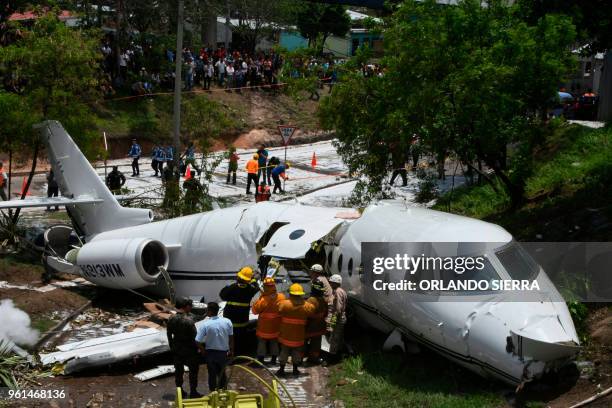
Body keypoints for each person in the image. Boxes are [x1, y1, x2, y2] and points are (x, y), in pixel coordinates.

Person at [219, 267, 259, 356]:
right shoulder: (250, 289)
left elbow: (222, 295)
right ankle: (240, 354)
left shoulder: (232, 287)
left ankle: (230, 354)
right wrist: (253, 280)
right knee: (241, 338)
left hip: (230, 320)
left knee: (229, 338)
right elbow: (257, 287)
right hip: (242, 321)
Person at [276, 283, 315, 377]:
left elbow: (278, 307)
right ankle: (295, 370)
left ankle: (281, 369)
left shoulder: (284, 304)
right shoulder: (306, 306)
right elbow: (313, 309)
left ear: (290, 294)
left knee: (284, 351)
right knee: (296, 352)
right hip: (299, 335)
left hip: (286, 334)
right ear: (301, 294)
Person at [167, 297, 202, 398]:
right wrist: (199, 348)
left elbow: (169, 334)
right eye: (189, 306)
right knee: (193, 371)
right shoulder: (189, 320)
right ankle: (193, 391)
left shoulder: (171, 318)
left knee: (178, 371)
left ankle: (180, 391)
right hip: (190, 349)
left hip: (177, 348)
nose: (190, 308)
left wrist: (171, 346)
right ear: (186, 307)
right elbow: (195, 337)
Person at [196, 302, 234, 393]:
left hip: (211, 353)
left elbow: (197, 341)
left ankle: (213, 393)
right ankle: (223, 392)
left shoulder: (205, 325)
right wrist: (231, 350)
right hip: (223, 353)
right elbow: (231, 337)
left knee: (212, 375)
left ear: (208, 311)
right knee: (222, 373)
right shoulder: (227, 321)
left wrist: (203, 350)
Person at [252, 277, 285, 365]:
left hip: (264, 327)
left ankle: (261, 359)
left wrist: (261, 297)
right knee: (274, 341)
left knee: (262, 342)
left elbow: (254, 311)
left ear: (265, 287)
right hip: (276, 326)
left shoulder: (263, 300)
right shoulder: (281, 297)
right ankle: (274, 359)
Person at [305, 280, 328, 365]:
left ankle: (299, 358)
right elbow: (326, 313)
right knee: (316, 344)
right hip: (320, 326)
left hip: (310, 326)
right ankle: (313, 358)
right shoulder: (323, 300)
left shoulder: (310, 300)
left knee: (303, 342)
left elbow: (306, 313)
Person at [325, 274, 347, 365]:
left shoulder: (337, 292)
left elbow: (337, 308)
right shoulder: (341, 291)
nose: (330, 283)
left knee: (334, 338)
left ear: (334, 283)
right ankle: (338, 356)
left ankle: (332, 358)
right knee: (338, 338)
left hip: (337, 319)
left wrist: (332, 321)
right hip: (341, 318)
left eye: (331, 282)